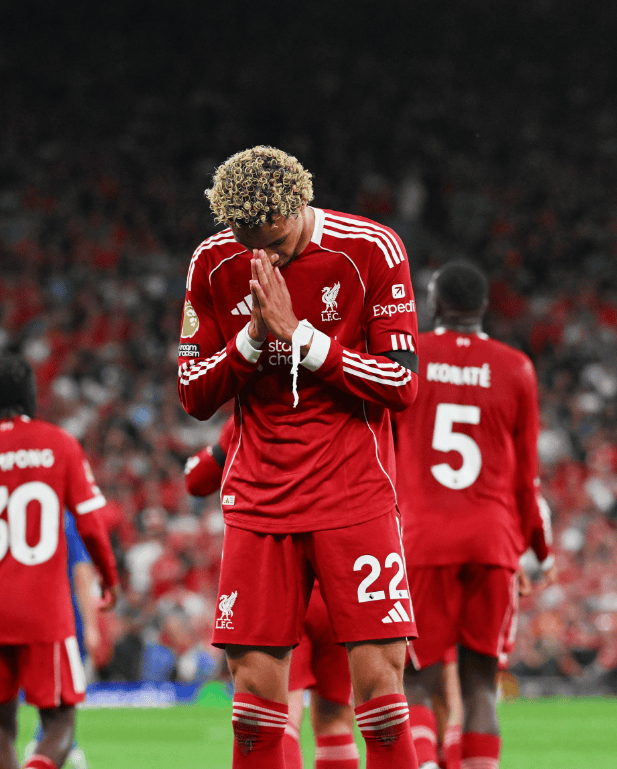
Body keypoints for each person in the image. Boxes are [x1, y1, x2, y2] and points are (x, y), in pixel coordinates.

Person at [178, 145, 420, 769]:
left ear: (299, 207)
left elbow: (402, 384)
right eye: (247, 243)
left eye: (276, 241)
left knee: (382, 700)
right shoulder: (212, 262)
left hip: (354, 496)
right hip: (260, 502)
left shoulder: (370, 249)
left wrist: (303, 339)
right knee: (254, 712)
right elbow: (194, 394)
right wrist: (252, 340)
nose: (264, 257)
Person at [393, 260, 556, 769]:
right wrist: (538, 551)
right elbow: (526, 477)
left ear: (434, 304)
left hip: (423, 540)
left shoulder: (410, 356)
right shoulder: (516, 367)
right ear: (483, 307)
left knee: (414, 679)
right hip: (492, 541)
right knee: (481, 684)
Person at [0, 354, 120, 769]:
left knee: (0, 727)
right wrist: (109, 577)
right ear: (30, 394)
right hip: (44, 611)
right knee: (60, 721)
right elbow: (90, 524)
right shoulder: (59, 444)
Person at [185, 418, 360, 769]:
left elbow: (197, 479)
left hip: (284, 584)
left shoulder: (255, 411)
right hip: (340, 584)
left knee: (281, 722)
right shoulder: (346, 410)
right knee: (336, 719)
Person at [24, 510, 101, 769]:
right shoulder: (70, 521)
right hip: (67, 618)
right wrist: (91, 625)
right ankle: (54, 742)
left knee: (53, 684)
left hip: (39, 614)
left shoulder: (38, 515)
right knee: (68, 686)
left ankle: (52, 741)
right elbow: (82, 573)